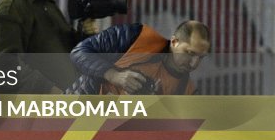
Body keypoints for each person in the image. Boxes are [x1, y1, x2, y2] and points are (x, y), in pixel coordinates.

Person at [69, 19, 210, 95]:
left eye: (201, 57)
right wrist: (114, 75)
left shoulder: (187, 93)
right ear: (174, 42)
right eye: (190, 53)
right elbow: (79, 52)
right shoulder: (134, 37)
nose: (194, 64)